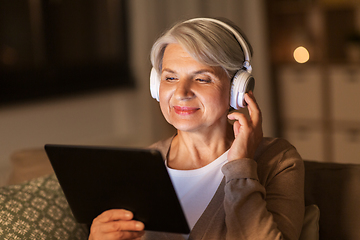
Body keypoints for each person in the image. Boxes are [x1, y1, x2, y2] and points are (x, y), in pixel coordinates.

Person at [88, 17, 305, 240]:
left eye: (202, 79)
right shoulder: (137, 168)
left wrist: (241, 168)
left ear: (237, 88)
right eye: (170, 77)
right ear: (157, 85)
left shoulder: (277, 160)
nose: (181, 93)